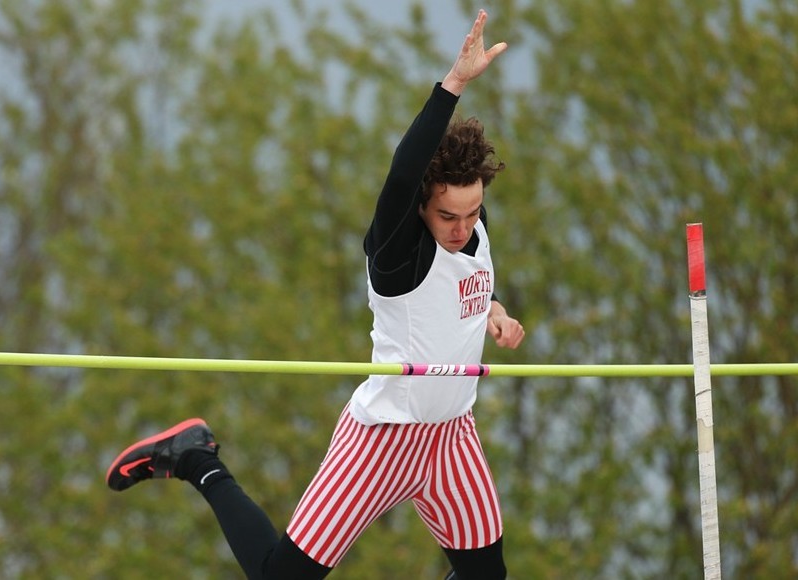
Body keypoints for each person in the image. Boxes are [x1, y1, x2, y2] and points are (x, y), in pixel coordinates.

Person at [106, 9, 524, 579]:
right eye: (447, 215)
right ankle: (195, 458)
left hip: (452, 436)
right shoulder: (397, 254)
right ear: (421, 209)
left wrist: (494, 312)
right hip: (384, 441)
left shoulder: (473, 228)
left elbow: (461, 294)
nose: (461, 227)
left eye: (472, 213)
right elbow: (403, 177)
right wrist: (452, 85)